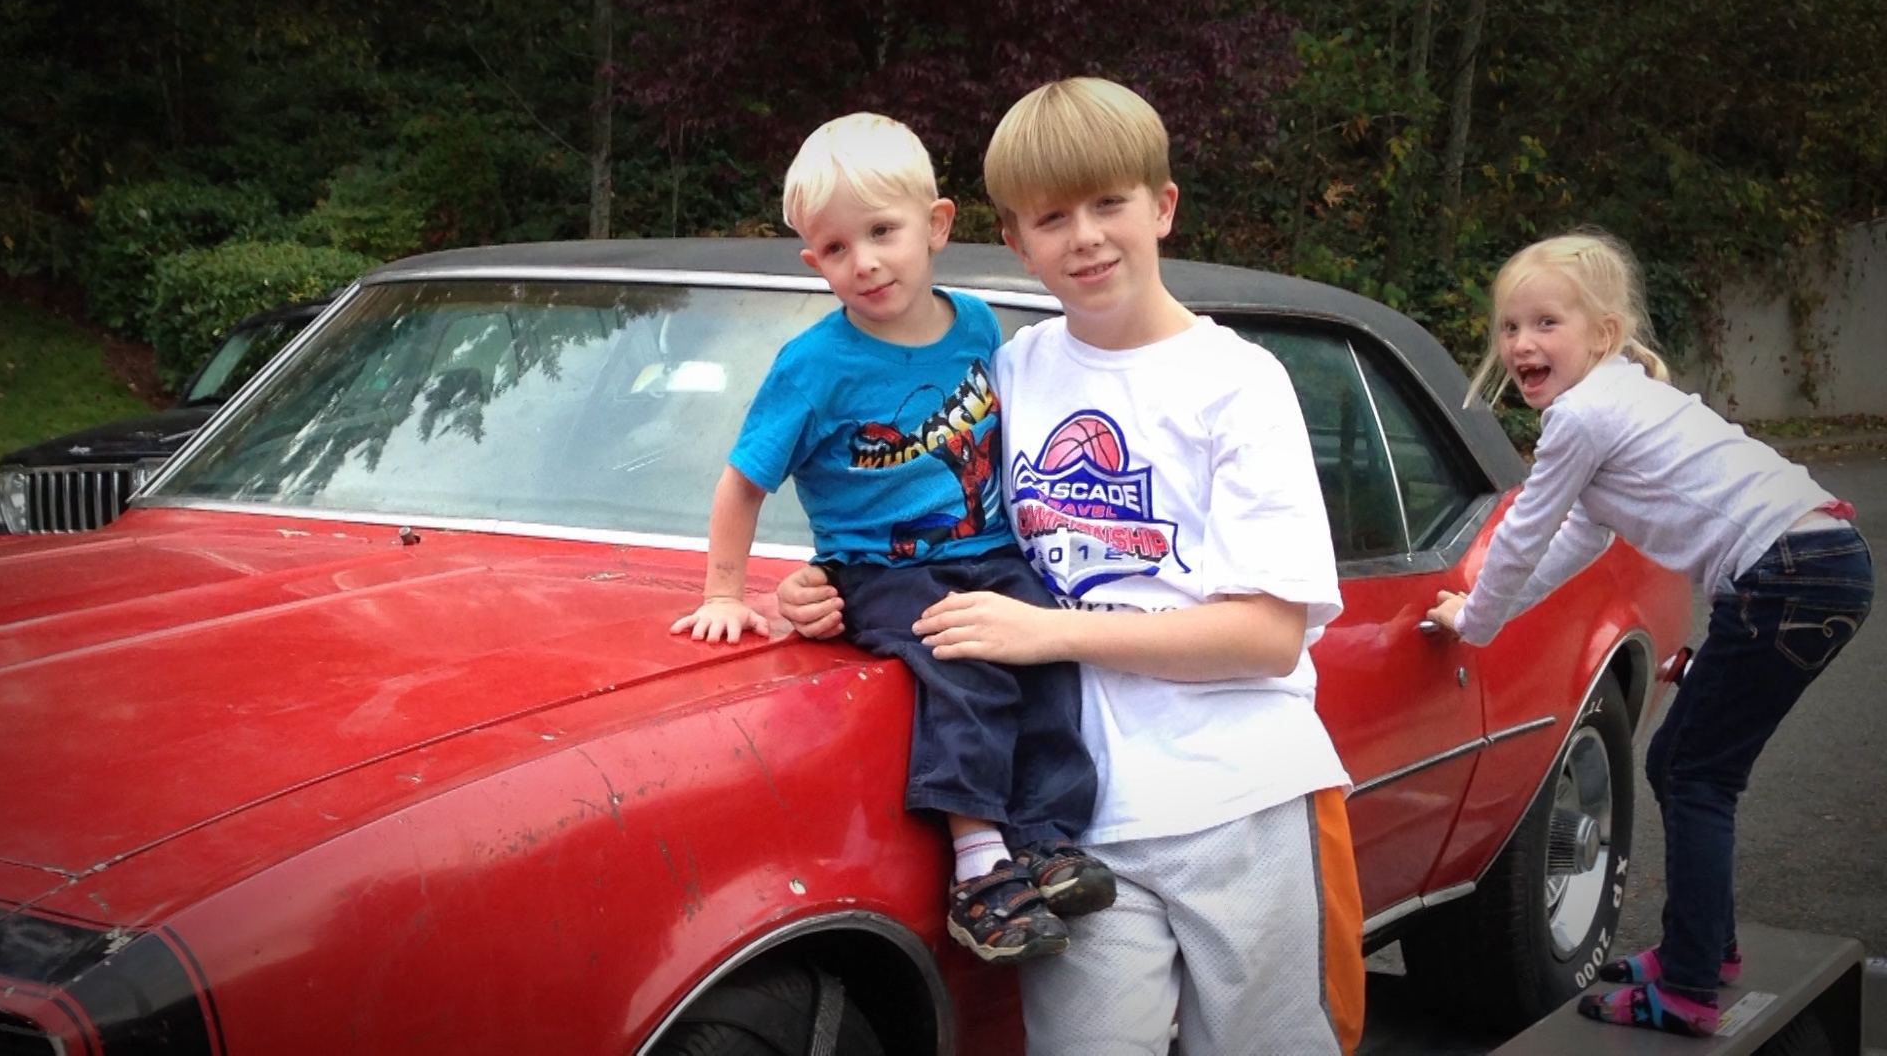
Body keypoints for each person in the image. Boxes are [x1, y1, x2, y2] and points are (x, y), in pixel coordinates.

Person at [780, 79, 1365, 1056]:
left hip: (1245, 803)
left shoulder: (1242, 385)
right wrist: (828, 582)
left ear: (1162, 207)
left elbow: (1267, 636)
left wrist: (1050, 631)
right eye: (1053, 217)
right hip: (1072, 828)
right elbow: (917, 516)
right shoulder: (1009, 373)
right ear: (1014, 239)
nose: (1085, 237)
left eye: (1110, 205)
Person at [670, 112, 1113, 965]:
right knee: (966, 662)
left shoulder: (980, 326)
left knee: (1051, 652)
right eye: (837, 249)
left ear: (936, 226)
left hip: (987, 552)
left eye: (882, 232)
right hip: (881, 569)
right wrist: (726, 591)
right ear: (814, 262)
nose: (864, 261)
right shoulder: (814, 365)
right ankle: (979, 869)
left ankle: (1047, 840)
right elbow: (742, 482)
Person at [1425, 229, 1874, 1037]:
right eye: (1509, 327)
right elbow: (1578, 541)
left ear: (1603, 334)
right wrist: (1488, 611)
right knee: (1682, 762)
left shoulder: (1584, 416)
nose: (1522, 343)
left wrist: (1476, 619)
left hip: (1787, 578)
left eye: (1546, 324)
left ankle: (1694, 986)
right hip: (1812, 566)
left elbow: (1526, 531)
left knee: (1698, 775)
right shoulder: (1621, 401)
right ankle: (1707, 947)